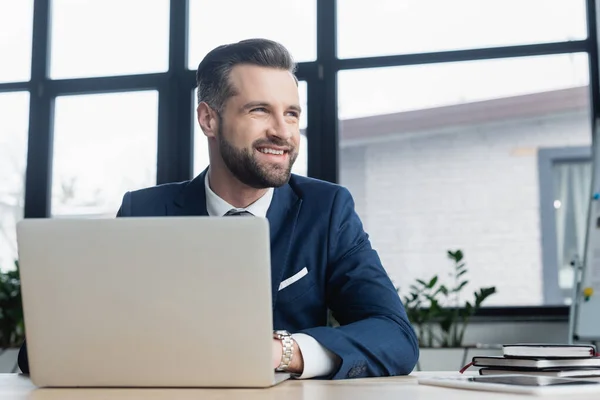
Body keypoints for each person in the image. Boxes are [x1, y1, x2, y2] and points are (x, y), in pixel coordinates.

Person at [18, 38, 419, 380]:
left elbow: (395, 336)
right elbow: (47, 347)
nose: (282, 131)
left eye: (292, 113)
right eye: (260, 110)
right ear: (209, 119)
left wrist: (281, 352)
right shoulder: (145, 210)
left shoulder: (326, 209)